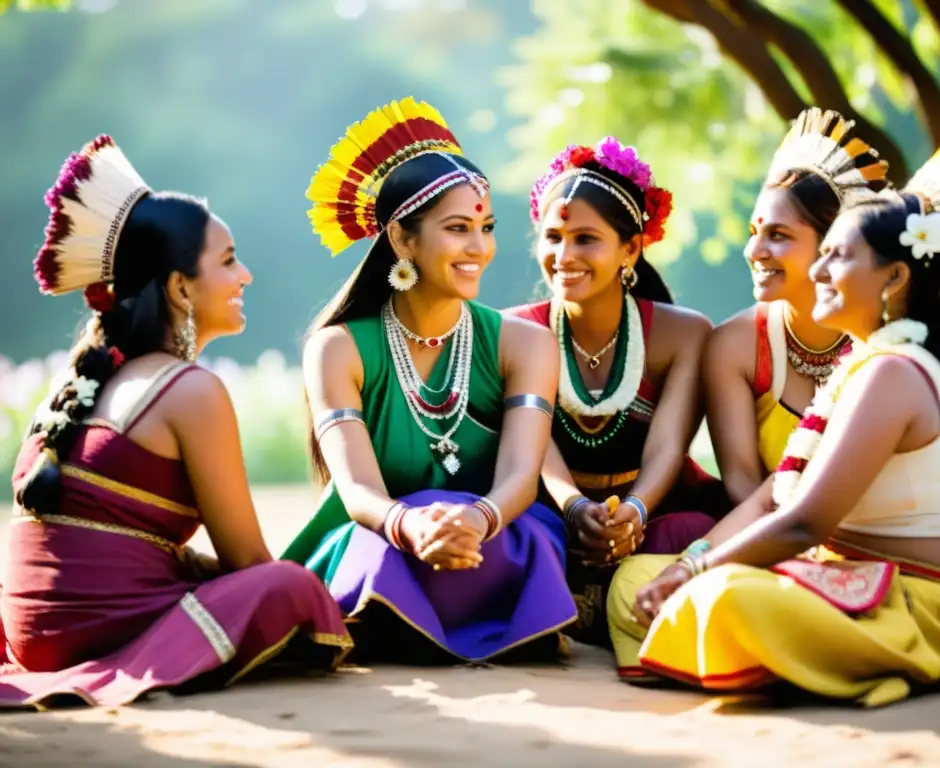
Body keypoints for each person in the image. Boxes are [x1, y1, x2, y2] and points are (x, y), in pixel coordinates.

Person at [605, 127, 940, 705]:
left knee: (726, 596)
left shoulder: (892, 373)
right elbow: (773, 494)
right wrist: (690, 561)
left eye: (837, 256)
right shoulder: (863, 366)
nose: (821, 271)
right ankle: (730, 642)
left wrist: (698, 574)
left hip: (934, 608)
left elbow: (804, 524)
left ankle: (726, 642)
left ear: (894, 277)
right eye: (821, 256)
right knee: (635, 582)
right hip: (845, 585)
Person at [0, 136, 350, 709]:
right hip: (91, 636)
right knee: (293, 588)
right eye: (230, 260)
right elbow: (246, 562)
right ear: (180, 287)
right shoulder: (191, 391)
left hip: (28, 636)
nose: (247, 276)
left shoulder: (79, 380)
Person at [281, 98, 576, 664]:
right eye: (458, 229)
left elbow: (521, 474)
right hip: (387, 536)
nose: (479, 248)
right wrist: (410, 525)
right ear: (401, 239)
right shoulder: (337, 349)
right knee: (374, 552)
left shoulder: (526, 342)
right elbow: (358, 489)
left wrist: (476, 517)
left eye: (486, 228)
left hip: (495, 536)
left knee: (528, 539)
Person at [506, 138, 727, 646]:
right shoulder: (515, 332)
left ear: (631, 248)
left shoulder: (684, 334)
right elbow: (534, 448)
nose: (565, 255)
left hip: (650, 507)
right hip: (551, 503)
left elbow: (670, 447)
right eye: (553, 236)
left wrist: (635, 514)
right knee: (529, 535)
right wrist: (576, 510)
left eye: (586, 238)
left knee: (687, 533)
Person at [704, 108, 889, 507]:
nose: (753, 251)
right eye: (754, 232)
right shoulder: (735, 346)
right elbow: (742, 485)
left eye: (777, 234)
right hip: (768, 537)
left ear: (832, 244)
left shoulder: (884, 344)